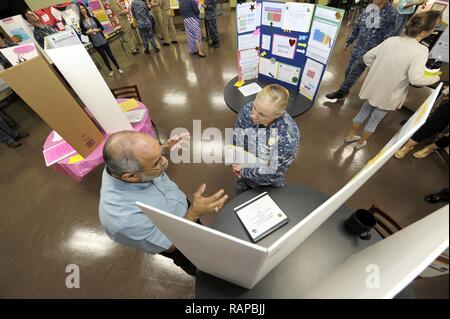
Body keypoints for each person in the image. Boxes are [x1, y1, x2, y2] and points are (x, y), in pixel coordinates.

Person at [99, 131, 228, 275]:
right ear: (131, 176)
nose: (164, 161)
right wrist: (194, 213)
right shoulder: (124, 220)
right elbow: (171, 245)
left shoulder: (133, 168)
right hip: (180, 244)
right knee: (204, 268)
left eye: (160, 154)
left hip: (183, 211)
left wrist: (163, 149)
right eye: (157, 162)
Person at [344, 10, 441, 150]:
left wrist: (378, 68)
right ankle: (360, 143)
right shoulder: (421, 50)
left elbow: (367, 57)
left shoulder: (391, 40)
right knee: (374, 121)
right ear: (424, 32)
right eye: (434, 27)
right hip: (390, 94)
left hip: (373, 87)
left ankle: (350, 135)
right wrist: (435, 77)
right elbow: (416, 79)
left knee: (363, 112)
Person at [232, 84, 300, 194]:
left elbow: (272, 173)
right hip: (243, 178)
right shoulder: (248, 109)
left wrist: (243, 172)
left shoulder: (287, 136)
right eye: (255, 107)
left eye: (262, 115)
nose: (253, 116)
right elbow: (237, 137)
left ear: (278, 114)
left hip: (266, 186)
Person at [325, 0, 398, 100]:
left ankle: (342, 91)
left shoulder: (391, 14)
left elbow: (388, 36)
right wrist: (349, 41)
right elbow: (358, 25)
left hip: (370, 51)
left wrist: (380, 53)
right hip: (358, 45)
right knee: (348, 70)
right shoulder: (370, 8)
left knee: (355, 71)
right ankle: (345, 89)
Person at [78, 3, 124, 77]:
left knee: (110, 55)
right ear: (79, 11)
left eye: (83, 8)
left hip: (102, 40)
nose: (83, 10)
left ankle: (118, 68)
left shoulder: (93, 18)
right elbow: (83, 32)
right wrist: (88, 32)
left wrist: (98, 29)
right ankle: (111, 70)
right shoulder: (81, 22)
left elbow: (102, 28)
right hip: (95, 42)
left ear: (86, 9)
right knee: (104, 57)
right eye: (81, 9)